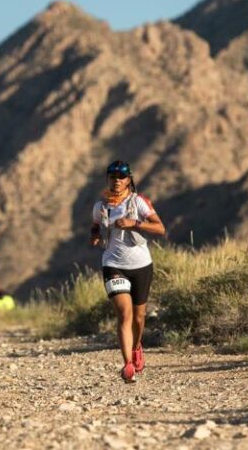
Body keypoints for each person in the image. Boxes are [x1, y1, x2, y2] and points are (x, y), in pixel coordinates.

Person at [89, 160, 166, 383]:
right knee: (124, 314)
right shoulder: (100, 206)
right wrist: (94, 234)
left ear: (129, 180)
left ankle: (137, 345)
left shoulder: (139, 202)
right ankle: (127, 365)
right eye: (112, 177)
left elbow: (160, 228)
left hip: (141, 264)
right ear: (107, 179)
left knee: (139, 317)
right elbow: (95, 224)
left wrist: (134, 223)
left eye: (121, 178)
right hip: (112, 264)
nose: (116, 181)